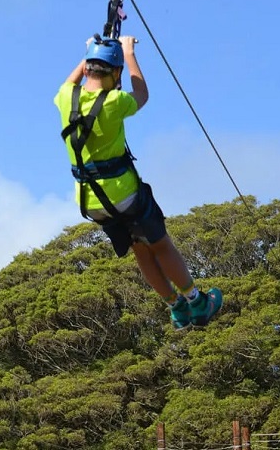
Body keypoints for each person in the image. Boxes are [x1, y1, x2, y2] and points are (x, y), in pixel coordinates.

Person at [54, 35, 222, 329]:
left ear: (88, 69)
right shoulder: (115, 102)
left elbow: (73, 78)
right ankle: (196, 301)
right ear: (115, 74)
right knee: (160, 245)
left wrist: (91, 50)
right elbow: (141, 94)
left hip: (90, 201)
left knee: (139, 250)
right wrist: (129, 53)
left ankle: (175, 307)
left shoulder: (66, 97)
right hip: (123, 194)